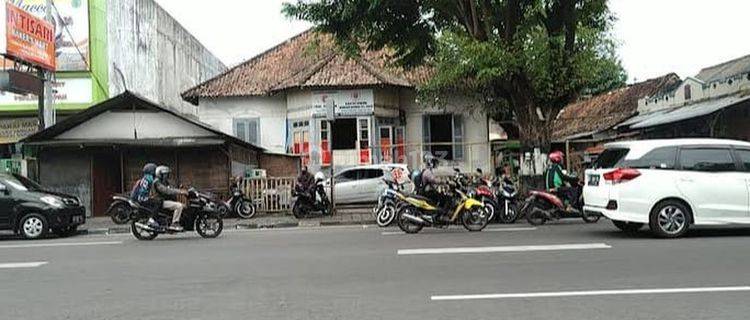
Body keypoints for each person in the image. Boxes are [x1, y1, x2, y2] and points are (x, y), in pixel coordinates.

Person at [153, 166, 187, 232]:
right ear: (160, 174)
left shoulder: (164, 182)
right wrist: (180, 191)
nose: (167, 176)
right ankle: (174, 223)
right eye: (165, 174)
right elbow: (166, 191)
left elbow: (171, 189)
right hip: (160, 202)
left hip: (163, 201)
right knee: (179, 206)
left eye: (167, 174)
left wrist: (180, 189)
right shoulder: (157, 182)